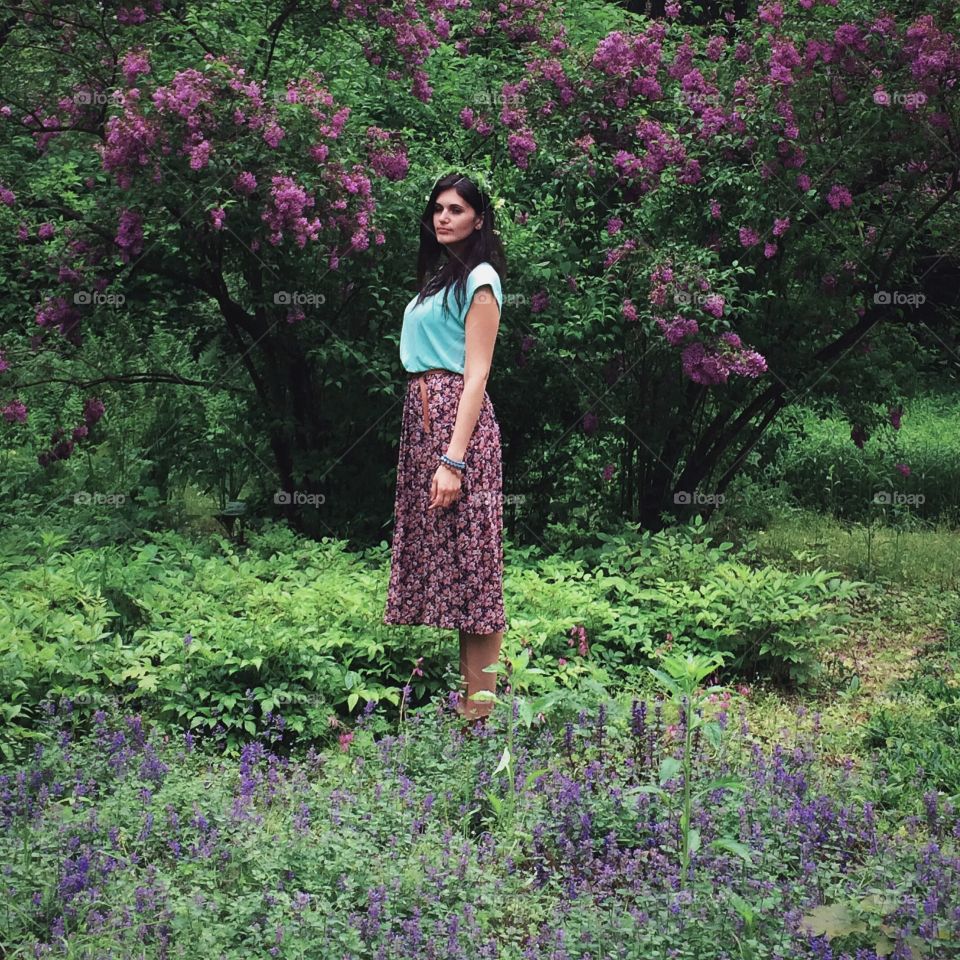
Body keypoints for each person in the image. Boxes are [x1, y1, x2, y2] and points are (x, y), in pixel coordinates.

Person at [382, 171, 508, 729]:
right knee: (459, 572)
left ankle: (479, 717)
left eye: (456, 209)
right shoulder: (439, 277)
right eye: (437, 208)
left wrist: (453, 460)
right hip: (426, 423)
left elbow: (476, 374)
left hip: (460, 428)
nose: (443, 217)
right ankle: (469, 713)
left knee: (476, 573)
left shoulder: (480, 278)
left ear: (478, 219)